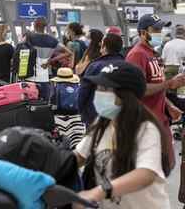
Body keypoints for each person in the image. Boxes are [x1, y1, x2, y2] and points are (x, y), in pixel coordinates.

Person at [74, 62, 171, 209]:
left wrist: (98, 192)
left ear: (125, 96)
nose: (98, 93)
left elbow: (146, 174)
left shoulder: (146, 128)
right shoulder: (102, 123)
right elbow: (79, 156)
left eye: (105, 88)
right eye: (98, 87)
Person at [126, 14, 185, 171]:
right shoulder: (137, 55)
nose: (160, 32)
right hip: (145, 122)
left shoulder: (153, 55)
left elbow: (156, 85)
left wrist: (169, 105)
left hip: (160, 119)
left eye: (161, 29)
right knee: (151, 170)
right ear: (143, 32)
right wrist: (170, 83)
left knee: (167, 164)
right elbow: (138, 89)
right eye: (156, 29)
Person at [78, 33, 124, 126]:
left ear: (104, 47)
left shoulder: (95, 66)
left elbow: (84, 90)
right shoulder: (126, 65)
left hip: (95, 114)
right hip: (120, 115)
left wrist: (81, 110)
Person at [25, 17, 72, 101]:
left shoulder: (29, 38)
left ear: (35, 25)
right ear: (45, 26)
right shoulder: (52, 40)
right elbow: (68, 53)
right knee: (45, 103)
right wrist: (51, 60)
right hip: (45, 77)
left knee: (30, 103)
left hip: (30, 77)